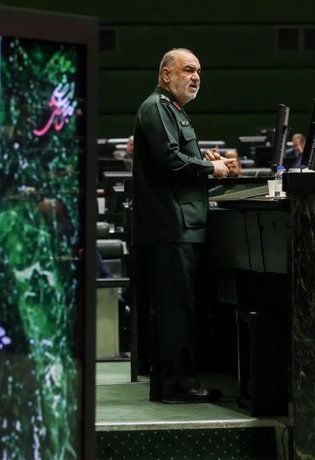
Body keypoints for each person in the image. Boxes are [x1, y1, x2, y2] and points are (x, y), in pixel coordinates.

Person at [131, 48, 234, 404]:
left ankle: (169, 383)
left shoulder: (172, 111)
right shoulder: (156, 107)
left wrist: (202, 160)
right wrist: (212, 169)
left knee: (178, 307)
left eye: (199, 72)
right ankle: (179, 385)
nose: (196, 77)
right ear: (166, 75)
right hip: (169, 226)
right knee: (176, 310)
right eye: (188, 70)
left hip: (178, 224)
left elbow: (178, 158)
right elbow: (170, 161)